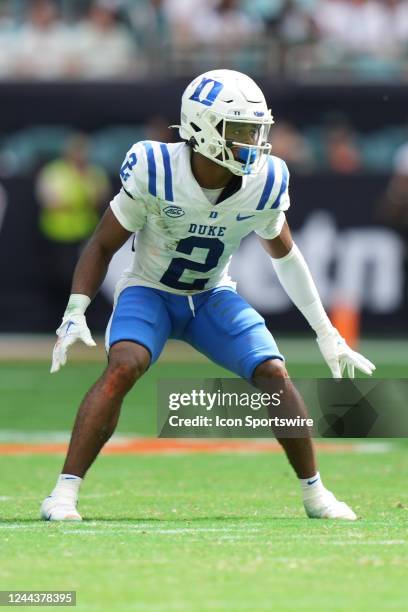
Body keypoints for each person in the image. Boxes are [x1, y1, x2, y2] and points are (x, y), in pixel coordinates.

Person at [40, 69, 375, 522]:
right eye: (240, 131)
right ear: (201, 127)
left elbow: (286, 256)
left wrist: (326, 331)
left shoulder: (264, 180)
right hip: (151, 291)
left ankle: (316, 494)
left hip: (211, 296)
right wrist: (76, 308)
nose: (253, 142)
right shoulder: (156, 168)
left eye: (257, 130)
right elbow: (102, 243)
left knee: (274, 372)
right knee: (124, 365)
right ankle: (63, 492)